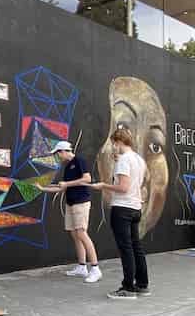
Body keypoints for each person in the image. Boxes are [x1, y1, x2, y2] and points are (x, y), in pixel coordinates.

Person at [90, 128, 149, 299]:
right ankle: (142, 284)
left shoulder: (124, 160)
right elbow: (135, 184)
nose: (113, 147)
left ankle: (128, 287)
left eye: (113, 144)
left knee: (126, 248)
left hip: (122, 208)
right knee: (136, 247)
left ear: (118, 142)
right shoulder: (139, 160)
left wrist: (103, 186)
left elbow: (123, 188)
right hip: (135, 208)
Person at [40, 141, 102, 284]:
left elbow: (87, 179)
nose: (58, 157)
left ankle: (95, 268)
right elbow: (61, 188)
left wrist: (67, 184)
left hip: (81, 202)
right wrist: (43, 189)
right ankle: (82, 267)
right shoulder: (67, 167)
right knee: (75, 234)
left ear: (63, 151)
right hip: (71, 202)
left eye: (57, 154)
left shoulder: (79, 161)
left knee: (81, 232)